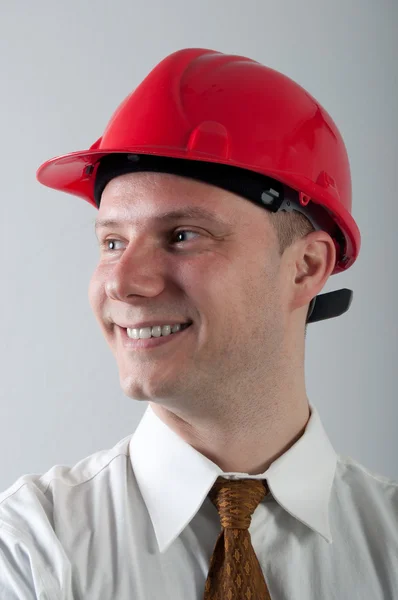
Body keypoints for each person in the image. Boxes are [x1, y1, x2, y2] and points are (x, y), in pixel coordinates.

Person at [0, 48, 397, 599]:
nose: (122, 282)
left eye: (183, 235)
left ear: (306, 268)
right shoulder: (28, 549)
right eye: (112, 242)